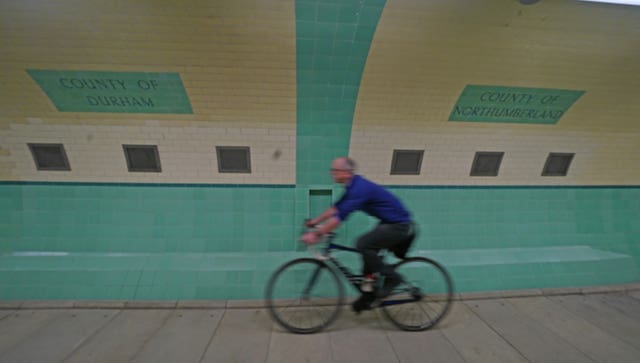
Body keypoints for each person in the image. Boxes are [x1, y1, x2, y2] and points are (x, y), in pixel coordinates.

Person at [301, 157, 416, 312]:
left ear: (347, 173)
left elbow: (339, 217)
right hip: (389, 223)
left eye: (335, 170)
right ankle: (368, 296)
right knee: (368, 254)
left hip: (400, 225)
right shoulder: (352, 187)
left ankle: (394, 279)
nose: (332, 173)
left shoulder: (359, 189)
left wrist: (316, 234)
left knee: (363, 244)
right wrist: (315, 221)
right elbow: (336, 209)